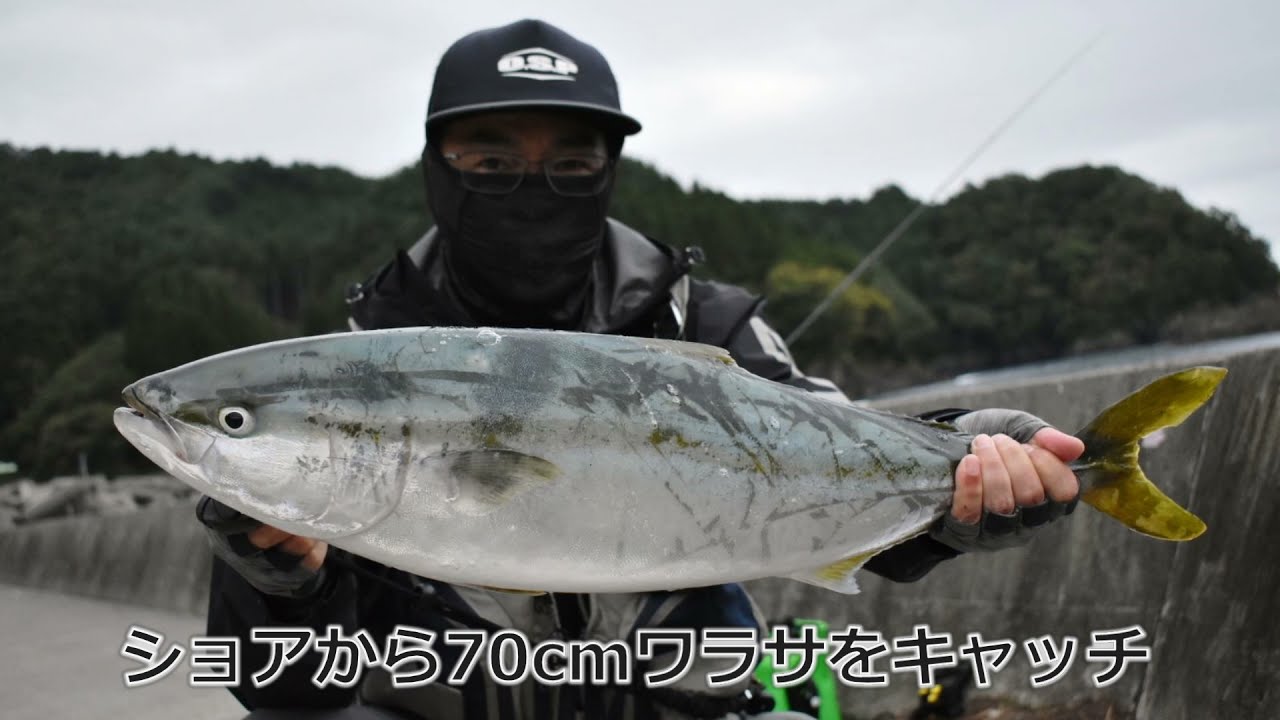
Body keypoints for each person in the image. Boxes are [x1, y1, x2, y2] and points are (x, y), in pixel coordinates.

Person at [197, 18, 1083, 720]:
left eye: (572, 163)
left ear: (610, 170)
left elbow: (838, 457)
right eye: (493, 162)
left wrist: (962, 461)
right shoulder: (354, 373)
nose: (533, 187)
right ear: (439, 166)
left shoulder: (711, 327)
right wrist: (281, 581)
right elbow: (284, 691)